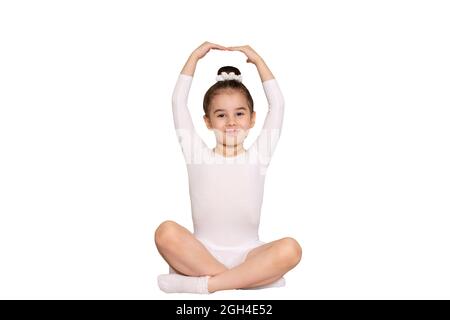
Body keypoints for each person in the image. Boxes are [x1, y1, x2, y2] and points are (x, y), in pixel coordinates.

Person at [155, 41, 302, 294]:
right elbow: (178, 102)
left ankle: (205, 284)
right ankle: (253, 280)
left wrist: (257, 59)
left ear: (253, 118)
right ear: (208, 121)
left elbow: (277, 104)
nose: (231, 122)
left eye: (240, 114)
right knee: (165, 232)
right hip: (200, 252)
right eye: (221, 115)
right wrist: (194, 57)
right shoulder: (196, 154)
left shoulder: (259, 154)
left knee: (292, 249)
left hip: (249, 254)